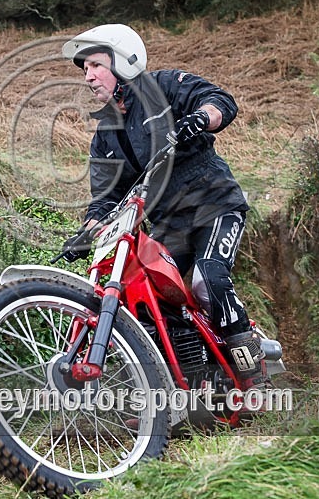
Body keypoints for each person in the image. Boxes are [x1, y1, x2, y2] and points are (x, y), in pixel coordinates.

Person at [61, 24, 269, 393]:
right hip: (168, 227)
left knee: (207, 279)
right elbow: (106, 197)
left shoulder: (165, 85)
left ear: (123, 63)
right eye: (85, 69)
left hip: (214, 206)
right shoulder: (105, 136)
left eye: (96, 65)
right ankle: (182, 384)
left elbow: (220, 101)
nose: (88, 76)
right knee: (146, 300)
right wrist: (86, 231)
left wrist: (201, 118)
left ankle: (255, 377)